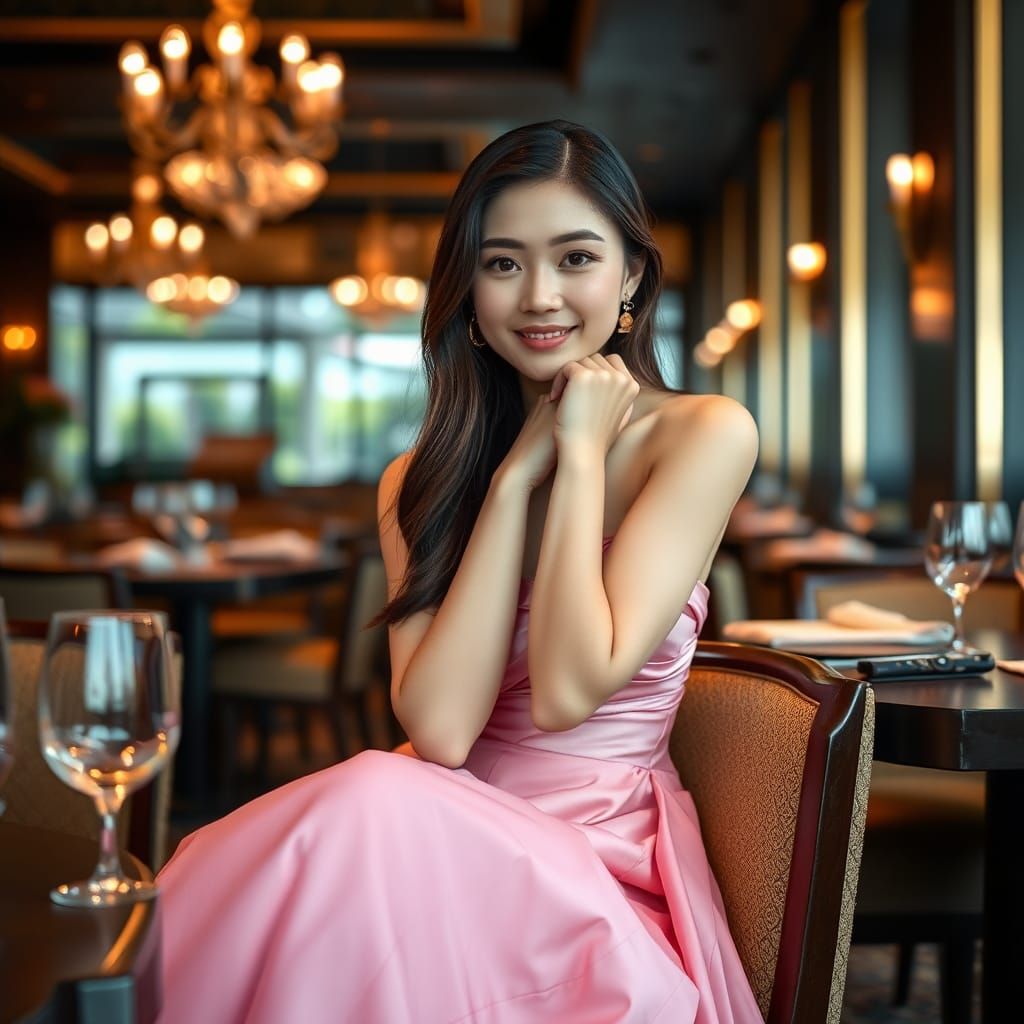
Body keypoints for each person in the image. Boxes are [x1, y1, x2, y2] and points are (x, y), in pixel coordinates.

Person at [156, 120, 762, 1023]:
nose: (540, 296)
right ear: (467, 290)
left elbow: (567, 691)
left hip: (594, 864)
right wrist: (514, 482)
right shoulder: (417, 481)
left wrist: (580, 456)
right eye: (503, 263)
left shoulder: (704, 433)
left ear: (632, 275)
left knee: (365, 804)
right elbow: (442, 733)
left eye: (576, 258)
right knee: (363, 814)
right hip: (429, 826)